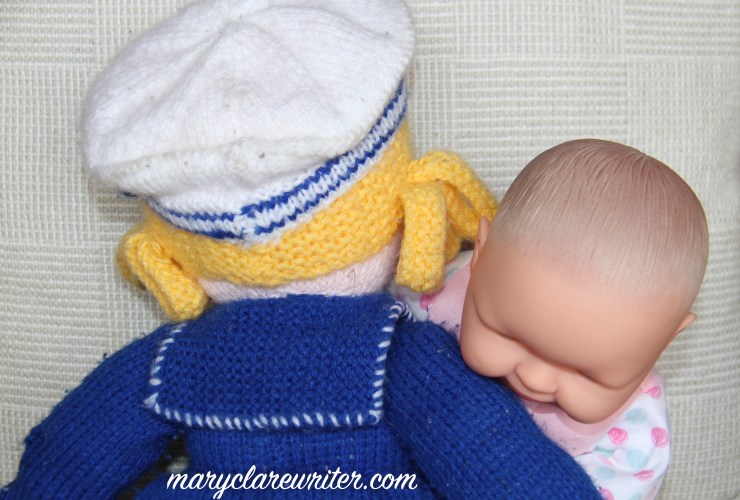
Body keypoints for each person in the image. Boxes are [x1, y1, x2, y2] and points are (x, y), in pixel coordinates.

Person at [1, 1, 600, 498]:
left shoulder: (173, 360)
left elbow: (74, 454)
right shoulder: (397, 356)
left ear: (171, 250)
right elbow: (492, 455)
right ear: (409, 198)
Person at [396, 139, 709, 499]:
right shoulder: (438, 297)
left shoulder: (632, 441)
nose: (535, 378)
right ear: (480, 257)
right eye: (509, 335)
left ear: (664, 341)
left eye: (585, 373)